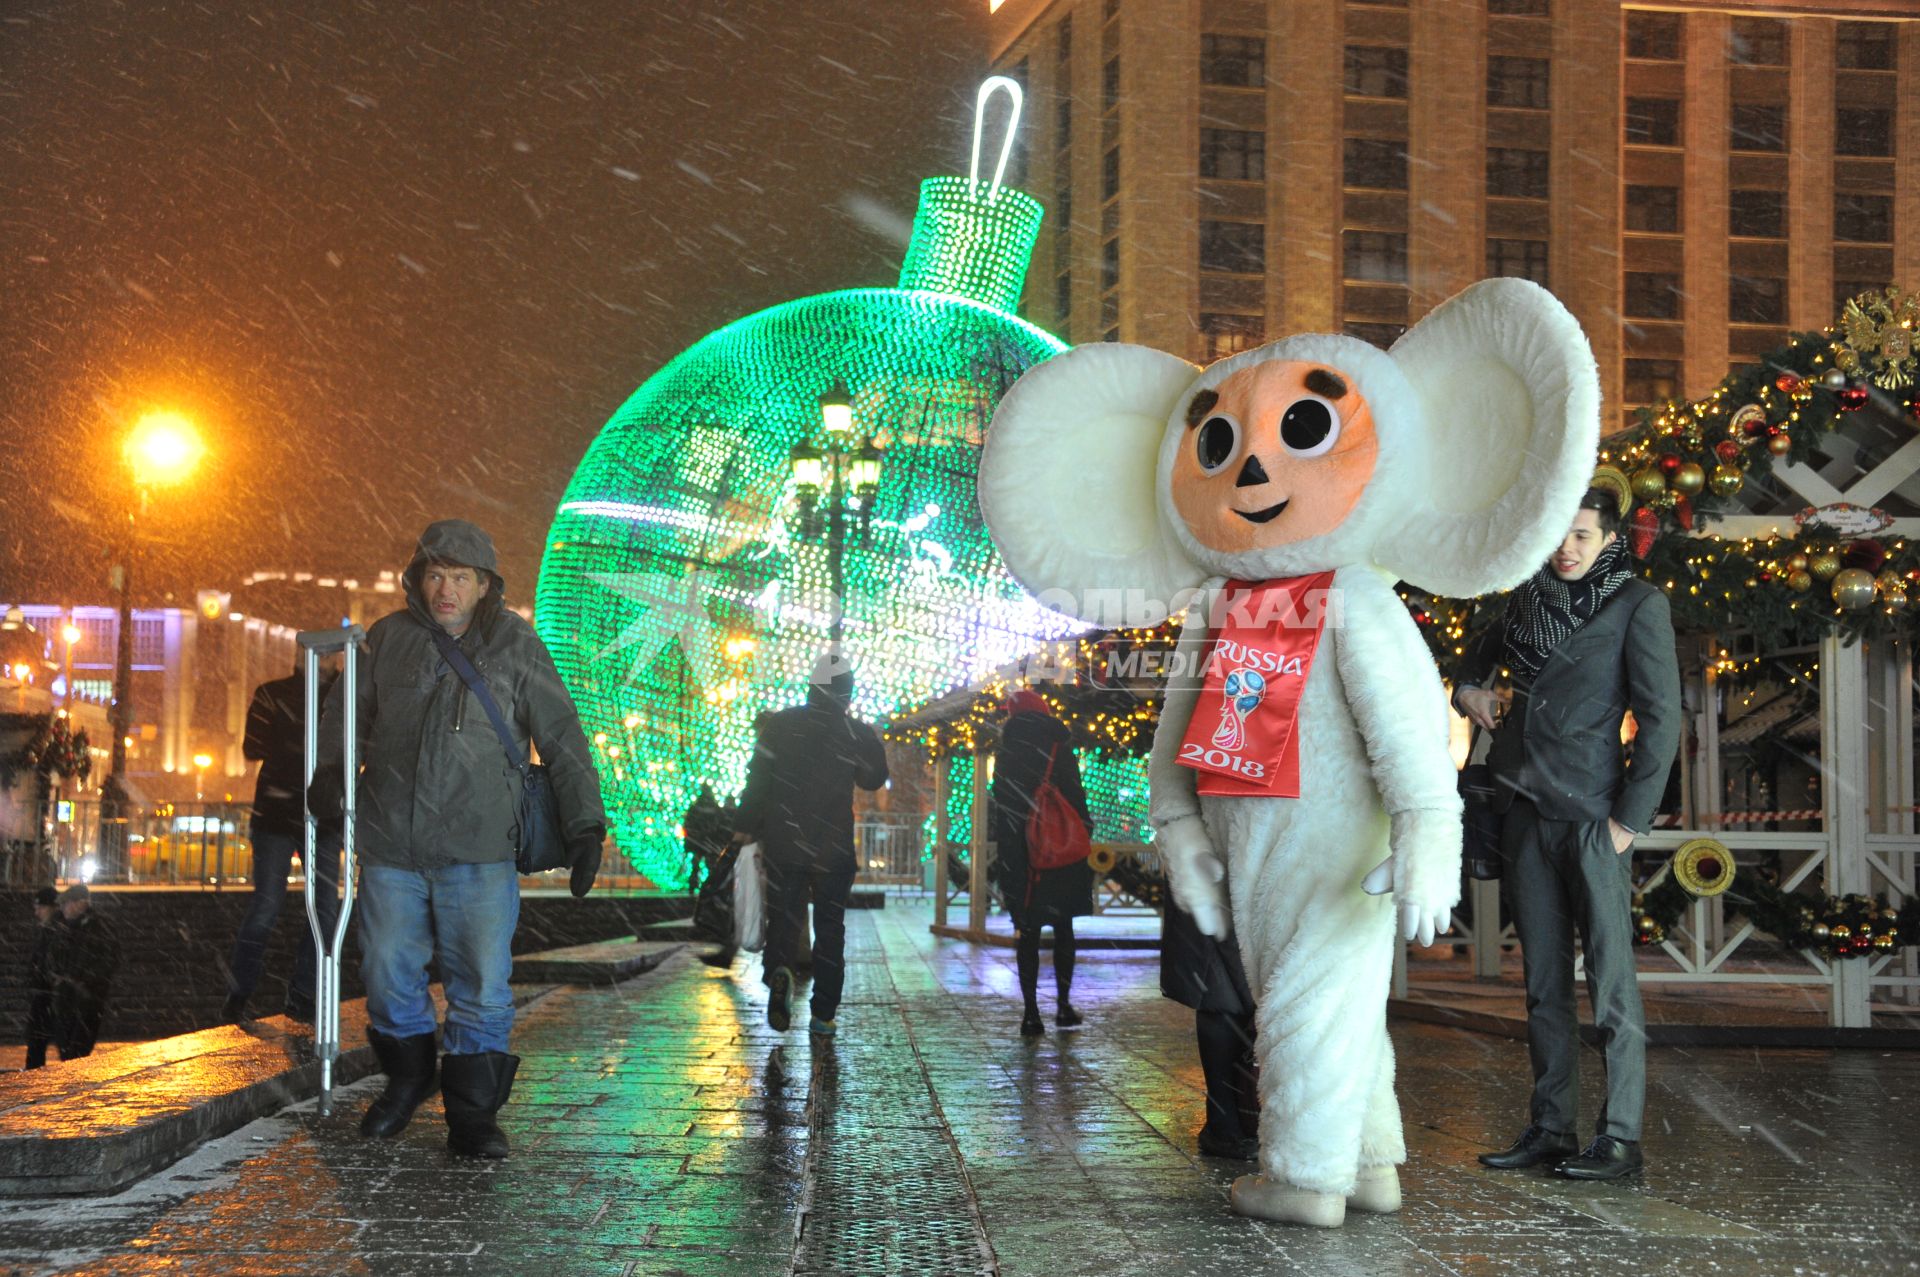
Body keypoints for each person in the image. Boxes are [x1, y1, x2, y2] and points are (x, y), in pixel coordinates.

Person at [312, 519, 607, 1159]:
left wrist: (586, 821)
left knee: (480, 981)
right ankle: (410, 1077)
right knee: (388, 969)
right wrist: (333, 772)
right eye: (436, 575)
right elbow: (348, 717)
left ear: (484, 587)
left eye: (461, 578)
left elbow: (561, 734)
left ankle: (473, 1113)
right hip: (393, 844)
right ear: (418, 580)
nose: (446, 589)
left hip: (480, 848)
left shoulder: (515, 644)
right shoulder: (387, 639)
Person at [1456, 486, 1680, 1181]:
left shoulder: (1639, 604)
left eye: (1583, 535)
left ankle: (1621, 1138)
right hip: (1524, 808)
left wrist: (1627, 823)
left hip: (1593, 817)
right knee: (1543, 984)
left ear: (1610, 538)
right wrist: (1468, 686)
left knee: (1612, 985)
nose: (1567, 548)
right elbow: (1477, 653)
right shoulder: (1525, 599)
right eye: (1559, 533)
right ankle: (1552, 1126)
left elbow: (1663, 720)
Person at [733, 650, 888, 1037]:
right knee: (831, 928)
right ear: (848, 693)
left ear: (811, 686)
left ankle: (780, 969)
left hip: (787, 843)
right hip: (833, 849)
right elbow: (873, 779)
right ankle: (824, 1013)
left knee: (784, 919)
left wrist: (744, 825)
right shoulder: (854, 732)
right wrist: (871, 742)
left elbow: (757, 780)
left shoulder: (781, 726)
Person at [223, 662, 344, 1024]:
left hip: (296, 812)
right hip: (302, 812)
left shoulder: (281, 696)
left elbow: (255, 745)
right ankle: (283, 991)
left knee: (292, 908)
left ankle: (251, 992)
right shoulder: (334, 698)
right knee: (309, 909)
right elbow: (252, 746)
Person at [987, 689, 1092, 1037]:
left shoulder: (1007, 749)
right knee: (1064, 930)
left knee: (1028, 933)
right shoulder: (1059, 747)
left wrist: (1012, 851)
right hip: (1061, 852)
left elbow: (1001, 804)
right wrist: (1080, 833)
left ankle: (1031, 1014)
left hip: (1023, 856)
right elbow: (1076, 796)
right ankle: (1063, 1006)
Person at [1161, 899, 1260, 1160]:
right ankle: (1227, 1128)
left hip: (1216, 914)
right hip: (1216, 914)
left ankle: (1229, 1125)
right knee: (1222, 1006)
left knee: (1223, 1005)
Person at [49, 884, 118, 1059]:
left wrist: (82, 980)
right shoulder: (65, 927)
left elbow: (108, 961)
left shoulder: (98, 927)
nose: (63, 908)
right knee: (66, 1047)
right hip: (68, 997)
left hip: (86, 998)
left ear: (80, 904)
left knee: (77, 1049)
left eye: (66, 904)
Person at [24, 886, 60, 1069]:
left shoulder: (56, 930)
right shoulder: (47, 929)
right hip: (42, 992)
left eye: (40, 907)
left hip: (49, 994)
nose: (36, 911)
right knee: (37, 1040)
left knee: (40, 1040)